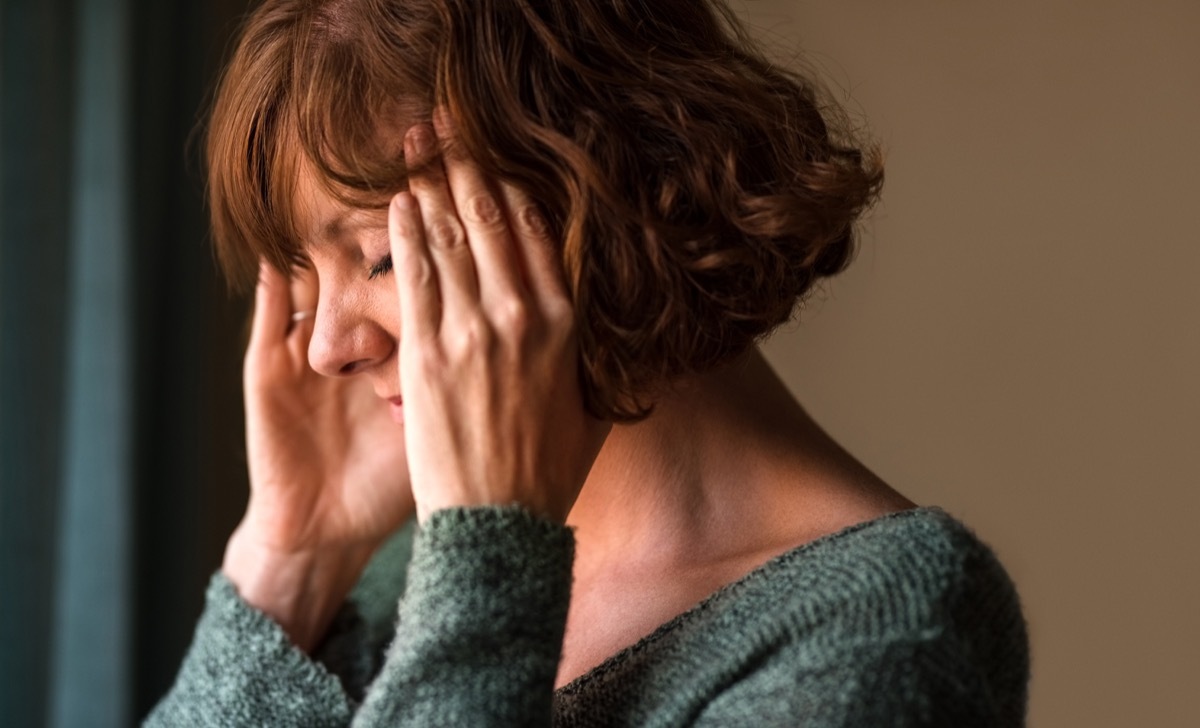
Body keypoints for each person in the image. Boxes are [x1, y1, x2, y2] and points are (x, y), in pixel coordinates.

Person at [148, 0, 1029, 725]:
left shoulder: (881, 629)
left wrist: (485, 569)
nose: (327, 346)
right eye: (303, 282)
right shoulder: (395, 586)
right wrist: (289, 562)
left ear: (593, 197)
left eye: (380, 254)